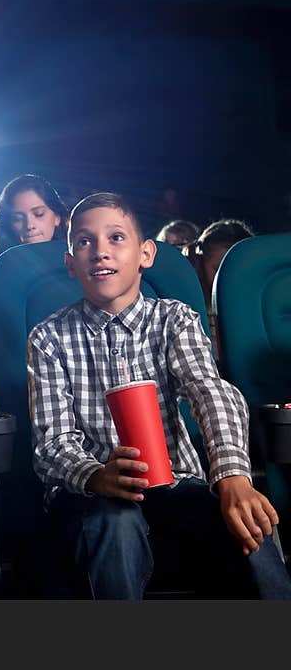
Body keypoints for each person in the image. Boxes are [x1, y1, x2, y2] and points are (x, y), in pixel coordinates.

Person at [27, 192, 291, 599]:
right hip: (90, 498)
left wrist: (232, 476)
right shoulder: (49, 337)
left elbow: (210, 391)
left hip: (174, 487)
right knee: (115, 522)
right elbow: (52, 444)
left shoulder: (174, 319)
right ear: (70, 264)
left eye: (116, 238)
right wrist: (98, 475)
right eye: (84, 242)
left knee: (248, 517)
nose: (100, 252)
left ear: (145, 254)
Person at [0, 174, 68, 365]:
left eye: (38, 214)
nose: (30, 225)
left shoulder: (79, 266)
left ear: (56, 217)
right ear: (8, 224)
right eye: (17, 218)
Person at [183, 218, 254, 365]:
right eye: (218, 269)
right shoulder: (186, 313)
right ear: (199, 263)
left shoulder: (256, 311)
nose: (227, 278)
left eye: (239, 271)